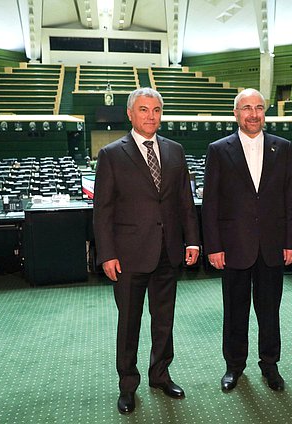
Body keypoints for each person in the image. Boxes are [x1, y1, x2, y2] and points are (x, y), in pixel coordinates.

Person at [93, 87, 200, 414]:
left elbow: (185, 202)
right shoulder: (111, 153)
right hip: (127, 256)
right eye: (143, 110)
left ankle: (160, 374)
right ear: (130, 114)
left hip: (168, 251)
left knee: (163, 320)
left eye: (155, 110)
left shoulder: (175, 151)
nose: (150, 116)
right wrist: (107, 254)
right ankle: (127, 385)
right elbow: (103, 210)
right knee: (129, 323)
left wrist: (192, 240)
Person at [202, 88, 292, 392]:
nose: (253, 114)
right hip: (233, 248)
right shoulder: (218, 150)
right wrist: (214, 246)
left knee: (270, 310)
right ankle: (234, 366)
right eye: (246, 108)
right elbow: (211, 204)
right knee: (235, 310)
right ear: (236, 113)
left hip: (273, 246)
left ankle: (270, 365)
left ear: (264, 112)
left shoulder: (283, 148)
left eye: (258, 107)